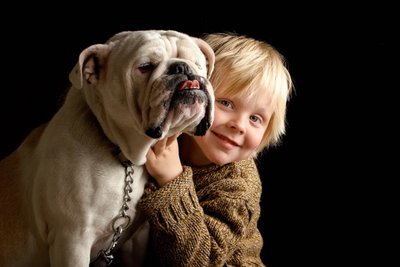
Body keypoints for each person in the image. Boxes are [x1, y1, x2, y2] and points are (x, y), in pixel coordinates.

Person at [137, 32, 293, 266]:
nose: (239, 125)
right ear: (193, 93)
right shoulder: (169, 136)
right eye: (226, 103)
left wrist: (171, 180)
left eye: (255, 118)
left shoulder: (238, 185)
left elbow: (202, 260)